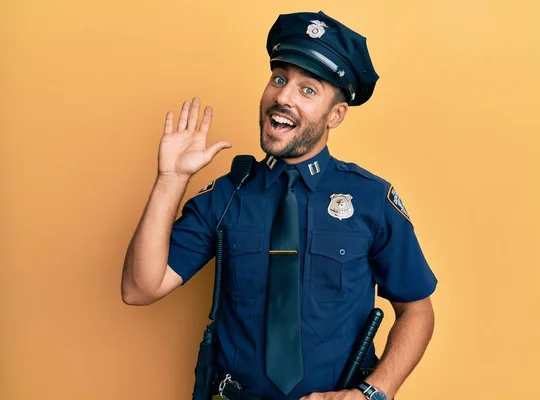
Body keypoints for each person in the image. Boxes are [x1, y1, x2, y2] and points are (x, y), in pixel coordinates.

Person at [121, 10, 437, 400]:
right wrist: (171, 180)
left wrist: (373, 392)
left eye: (308, 90)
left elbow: (417, 310)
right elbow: (140, 288)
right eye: (280, 78)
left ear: (335, 115)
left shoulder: (371, 199)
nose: (283, 96)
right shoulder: (227, 194)